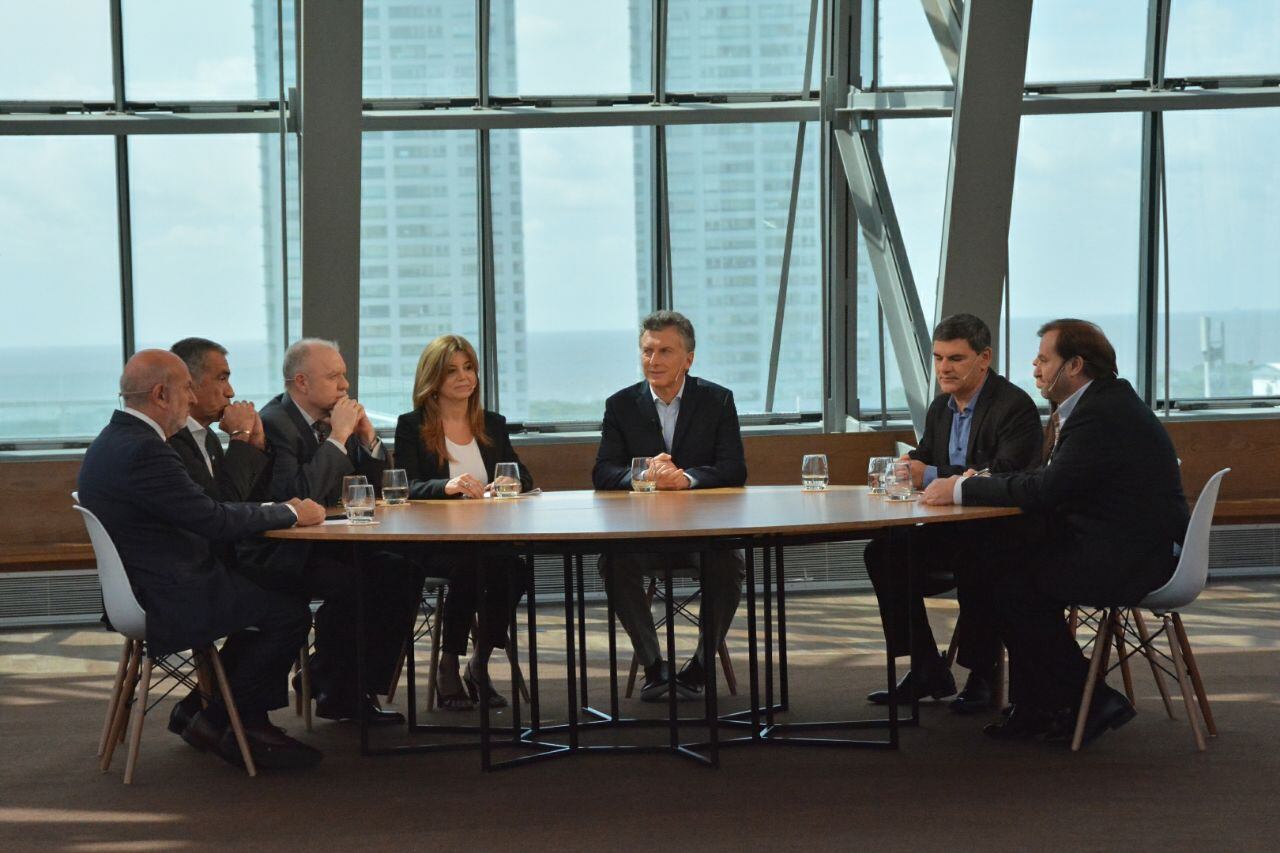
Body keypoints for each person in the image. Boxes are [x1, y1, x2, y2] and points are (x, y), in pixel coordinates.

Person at [922, 319, 1189, 747]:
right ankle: (1044, 705)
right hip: (1117, 542)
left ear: (1075, 365)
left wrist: (962, 486)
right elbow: (1054, 484)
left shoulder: (1100, 414)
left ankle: (1084, 699)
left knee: (1010, 584)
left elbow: (1046, 488)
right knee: (998, 568)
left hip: (1133, 557)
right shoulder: (1099, 405)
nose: (1034, 367)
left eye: (1045, 359)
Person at [78, 349, 326, 770]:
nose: (192, 400)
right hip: (169, 594)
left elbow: (207, 512)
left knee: (269, 596)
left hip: (147, 585)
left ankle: (210, 714)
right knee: (287, 612)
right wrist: (290, 512)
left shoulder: (113, 440)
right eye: (187, 389)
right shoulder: (146, 450)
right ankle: (237, 722)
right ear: (161, 394)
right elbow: (213, 518)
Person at [864, 314, 1041, 713]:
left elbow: (1008, 472)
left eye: (956, 359)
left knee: (977, 560)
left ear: (984, 359)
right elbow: (925, 457)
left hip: (1002, 531)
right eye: (939, 358)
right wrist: (907, 466)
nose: (944, 368)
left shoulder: (1014, 407)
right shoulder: (941, 408)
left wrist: (933, 474)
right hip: (950, 528)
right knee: (883, 551)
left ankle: (983, 674)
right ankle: (926, 667)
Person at [248, 338, 424, 726]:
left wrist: (367, 439)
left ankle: (348, 682)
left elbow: (374, 489)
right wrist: (338, 439)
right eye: (334, 376)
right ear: (301, 382)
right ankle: (336, 685)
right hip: (283, 552)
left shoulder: (327, 418)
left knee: (404, 569)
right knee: (361, 581)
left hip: (330, 542)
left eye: (344, 375)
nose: (345, 385)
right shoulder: (276, 423)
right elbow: (295, 499)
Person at [593, 310, 747, 702]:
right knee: (612, 562)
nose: (653, 360)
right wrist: (644, 475)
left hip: (701, 534)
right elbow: (602, 472)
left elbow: (734, 469)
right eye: (647, 351)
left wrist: (687, 478)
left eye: (665, 351)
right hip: (642, 534)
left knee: (728, 565)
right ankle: (654, 665)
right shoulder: (620, 405)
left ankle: (699, 664)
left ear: (688, 359)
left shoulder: (717, 400)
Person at [394, 334, 534, 710]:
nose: (464, 377)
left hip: (490, 538)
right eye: (452, 370)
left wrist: (512, 480)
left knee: (515, 571)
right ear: (432, 379)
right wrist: (448, 486)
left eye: (468, 367)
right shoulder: (412, 426)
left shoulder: (491, 423)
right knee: (472, 566)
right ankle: (447, 663)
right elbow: (404, 487)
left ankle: (479, 662)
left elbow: (523, 475)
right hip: (435, 543)